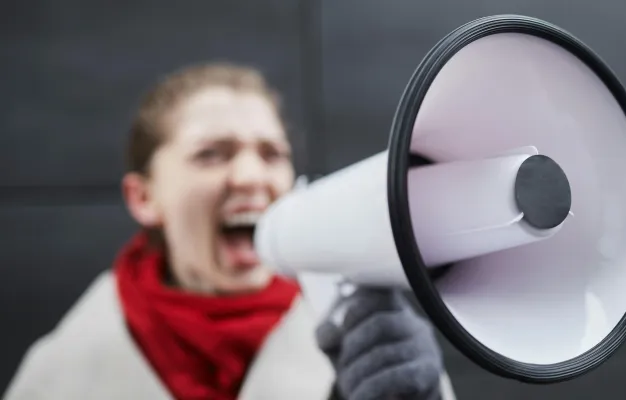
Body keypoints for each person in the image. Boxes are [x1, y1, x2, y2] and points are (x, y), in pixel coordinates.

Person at [4, 62, 456, 400]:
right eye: (212, 154)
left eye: (271, 153)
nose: (250, 177)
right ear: (144, 197)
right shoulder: (59, 372)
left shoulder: (375, 340)